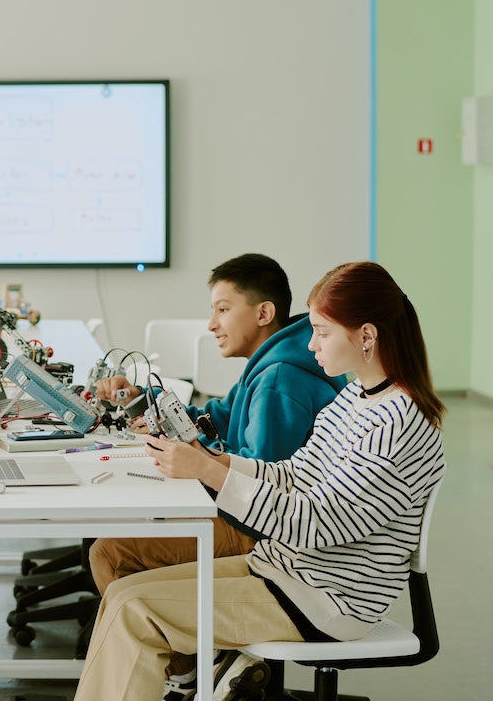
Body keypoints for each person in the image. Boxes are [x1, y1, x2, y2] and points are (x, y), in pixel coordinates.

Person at [72, 261, 447, 701]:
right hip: (288, 571)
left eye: (323, 333)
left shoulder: (399, 423)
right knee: (122, 594)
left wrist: (209, 471)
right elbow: (296, 474)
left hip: (327, 600)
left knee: (134, 611)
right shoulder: (355, 398)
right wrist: (211, 458)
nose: (311, 343)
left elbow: (318, 523)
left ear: (366, 336)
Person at [90, 254, 346, 598]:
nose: (211, 324)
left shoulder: (279, 379)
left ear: (263, 313)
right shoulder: (269, 366)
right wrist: (139, 398)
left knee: (110, 553)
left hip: (260, 529)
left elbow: (261, 473)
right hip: (253, 516)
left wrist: (198, 461)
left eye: (222, 310)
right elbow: (214, 418)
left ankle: (181, 645)